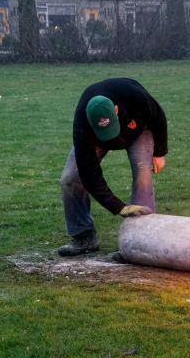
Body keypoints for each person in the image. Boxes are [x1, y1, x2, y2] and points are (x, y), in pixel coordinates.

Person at [58, 78, 168, 256]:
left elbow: (158, 116)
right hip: (95, 138)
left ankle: (141, 240)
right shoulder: (82, 123)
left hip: (137, 130)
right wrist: (119, 207)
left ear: (116, 110)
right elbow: (88, 173)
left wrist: (160, 152)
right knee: (70, 178)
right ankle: (84, 237)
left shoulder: (135, 97)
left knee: (142, 173)